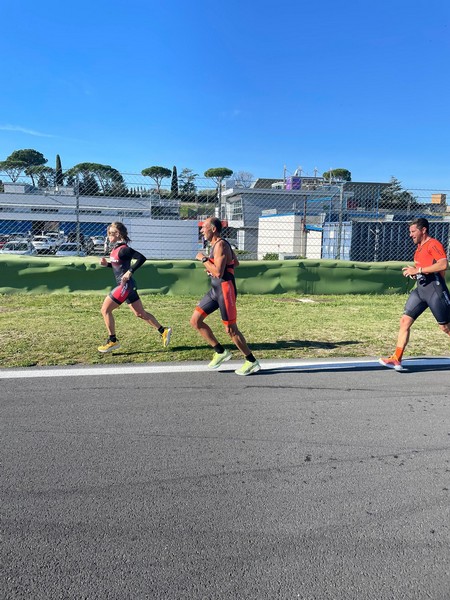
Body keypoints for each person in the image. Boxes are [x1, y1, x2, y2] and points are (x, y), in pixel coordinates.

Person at [190, 217, 260, 375]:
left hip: (225, 290)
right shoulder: (216, 245)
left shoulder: (220, 244)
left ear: (213, 229)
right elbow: (235, 262)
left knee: (231, 329)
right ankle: (220, 351)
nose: (201, 230)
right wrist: (213, 265)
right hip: (215, 290)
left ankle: (251, 361)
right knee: (195, 320)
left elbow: (218, 272)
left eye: (204, 227)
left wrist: (204, 259)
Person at [379, 217, 450, 371]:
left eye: (413, 231)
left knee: (445, 328)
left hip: (435, 291)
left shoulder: (433, 244)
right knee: (404, 321)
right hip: (421, 290)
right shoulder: (418, 249)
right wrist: (415, 273)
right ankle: (396, 358)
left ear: (423, 230)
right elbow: (424, 267)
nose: (410, 235)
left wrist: (417, 271)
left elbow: (444, 264)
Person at [97, 222, 172, 353]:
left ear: (118, 234)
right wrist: (107, 265)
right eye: (108, 233)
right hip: (128, 286)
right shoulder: (115, 249)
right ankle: (163, 330)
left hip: (124, 286)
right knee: (140, 313)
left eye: (110, 233)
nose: (108, 236)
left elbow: (141, 258)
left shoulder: (124, 249)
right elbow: (118, 267)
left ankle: (112, 340)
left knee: (105, 310)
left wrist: (130, 271)